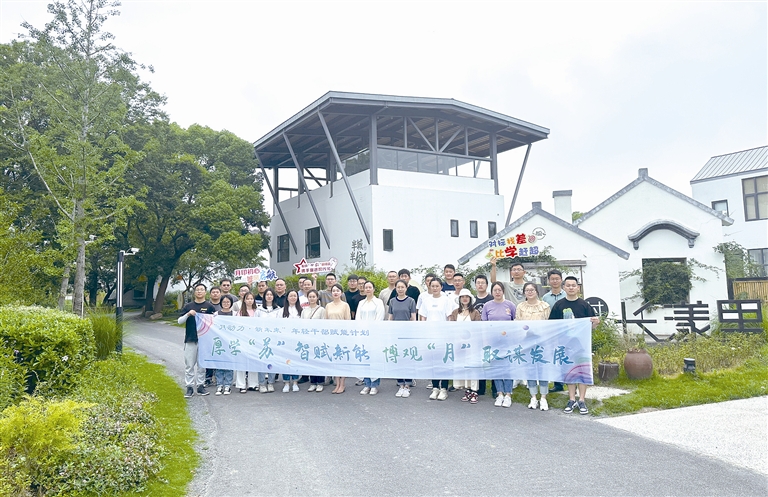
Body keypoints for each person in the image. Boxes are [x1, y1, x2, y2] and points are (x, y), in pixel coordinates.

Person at [549, 276, 599, 415]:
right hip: (565, 344)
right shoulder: (559, 305)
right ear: (564, 287)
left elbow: (592, 326)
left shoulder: (584, 305)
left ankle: (582, 400)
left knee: (582, 371)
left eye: (573, 285)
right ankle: (571, 399)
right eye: (568, 285)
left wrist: (596, 322)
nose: (571, 287)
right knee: (570, 372)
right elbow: (552, 325)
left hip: (582, 344)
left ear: (578, 288)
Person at [516, 282, 552, 411]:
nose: (530, 292)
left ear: (537, 291)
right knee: (530, 370)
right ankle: (533, 396)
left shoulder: (545, 306)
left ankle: (543, 398)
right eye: (527, 290)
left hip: (542, 343)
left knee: (542, 370)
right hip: (527, 343)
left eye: (532, 290)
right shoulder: (520, 307)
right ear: (524, 292)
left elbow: (549, 325)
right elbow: (517, 325)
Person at [482, 281, 517, 408]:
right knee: (496, 368)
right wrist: (486, 342)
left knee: (507, 368)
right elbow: (484, 326)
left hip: (507, 342)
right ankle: (500, 393)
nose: (497, 292)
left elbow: (514, 323)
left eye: (499, 290)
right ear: (492, 292)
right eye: (495, 290)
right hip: (493, 342)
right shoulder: (487, 306)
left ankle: (508, 394)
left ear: (503, 291)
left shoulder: (510, 305)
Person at [177, 283, 216, 397]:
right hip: (190, 339)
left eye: (202, 290)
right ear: (195, 292)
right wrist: (188, 314)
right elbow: (179, 321)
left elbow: (214, 322)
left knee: (202, 365)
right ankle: (189, 387)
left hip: (204, 341)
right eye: (197, 290)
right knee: (189, 365)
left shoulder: (209, 307)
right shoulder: (188, 306)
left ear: (205, 292)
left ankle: (200, 386)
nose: (199, 291)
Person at [419, 277, 454, 401]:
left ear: (441, 287)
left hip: (443, 335)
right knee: (433, 362)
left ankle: (444, 388)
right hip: (430, 336)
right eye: (432, 286)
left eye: (437, 286)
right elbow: (422, 316)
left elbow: (449, 316)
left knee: (443, 361)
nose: (434, 288)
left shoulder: (446, 300)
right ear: (429, 286)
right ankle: (435, 387)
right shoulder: (426, 300)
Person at [449, 288, 482, 403]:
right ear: (459, 299)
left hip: (472, 344)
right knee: (462, 367)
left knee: (472, 367)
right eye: (462, 297)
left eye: (467, 297)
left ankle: (474, 391)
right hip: (459, 345)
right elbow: (451, 328)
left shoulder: (475, 312)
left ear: (470, 299)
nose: (464, 299)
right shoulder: (455, 312)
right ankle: (467, 389)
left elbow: (478, 329)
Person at [355, 281, 386, 395]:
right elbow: (358, 318)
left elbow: (379, 317)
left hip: (375, 335)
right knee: (365, 359)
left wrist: (372, 330)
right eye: (366, 287)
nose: (367, 289)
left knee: (374, 359)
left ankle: (374, 385)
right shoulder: (361, 303)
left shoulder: (378, 302)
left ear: (373, 289)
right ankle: (367, 384)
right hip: (363, 335)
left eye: (370, 287)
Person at [388, 279, 417, 398]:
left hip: (407, 334)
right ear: (395, 288)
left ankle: (408, 385)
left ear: (406, 288)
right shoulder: (392, 301)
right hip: (395, 334)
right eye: (398, 287)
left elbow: (413, 318)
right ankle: (400, 384)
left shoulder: (411, 301)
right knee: (398, 358)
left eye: (402, 287)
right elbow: (390, 318)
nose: (400, 289)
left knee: (407, 358)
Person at [541, 269, 568, 393]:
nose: (555, 281)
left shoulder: (567, 294)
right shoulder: (545, 298)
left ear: (561, 280)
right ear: (548, 281)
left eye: (557, 278)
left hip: (567, 331)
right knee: (556, 356)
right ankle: (558, 383)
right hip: (551, 332)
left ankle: (571, 380)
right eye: (552, 279)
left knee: (568, 355)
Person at [325, 284, 352, 393]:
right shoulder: (328, 306)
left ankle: (342, 384)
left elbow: (348, 321)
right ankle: (337, 383)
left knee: (342, 359)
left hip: (342, 336)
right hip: (332, 336)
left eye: (338, 290)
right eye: (333, 291)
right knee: (334, 360)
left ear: (341, 293)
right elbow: (326, 322)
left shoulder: (345, 305)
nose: (335, 292)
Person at [300, 289, 327, 391]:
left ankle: (320, 382)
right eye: (310, 297)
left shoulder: (321, 310)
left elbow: (323, 324)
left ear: (317, 298)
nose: (312, 298)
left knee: (319, 360)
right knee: (310, 361)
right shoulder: (304, 311)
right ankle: (312, 382)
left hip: (318, 339)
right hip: (308, 339)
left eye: (313, 297)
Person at [256, 288, 282, 393]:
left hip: (273, 339)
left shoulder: (278, 310)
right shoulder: (259, 310)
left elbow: (280, 325)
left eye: (271, 294)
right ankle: (262, 383)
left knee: (272, 361)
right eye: (267, 295)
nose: (269, 296)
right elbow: (255, 324)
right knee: (261, 361)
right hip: (261, 339)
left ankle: (271, 382)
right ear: (264, 296)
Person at [235, 292, 259, 393]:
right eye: (247, 299)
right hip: (243, 339)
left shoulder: (257, 312)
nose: (250, 300)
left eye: (251, 299)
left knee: (253, 362)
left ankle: (253, 384)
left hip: (254, 340)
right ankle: (241, 384)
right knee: (241, 362)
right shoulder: (239, 313)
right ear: (244, 300)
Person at [281, 290, 303, 392]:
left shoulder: (301, 310)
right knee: (285, 360)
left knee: (295, 360)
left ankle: (295, 382)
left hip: (297, 340)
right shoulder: (281, 311)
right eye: (291, 296)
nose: (293, 298)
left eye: (295, 296)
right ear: (287, 297)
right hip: (285, 340)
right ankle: (286, 382)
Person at [213, 295, 235, 395]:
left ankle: (227, 385)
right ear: (221, 303)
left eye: (228, 302)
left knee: (229, 365)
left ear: (231, 303)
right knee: (219, 364)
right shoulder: (216, 314)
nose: (226, 304)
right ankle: (219, 385)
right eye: (224, 302)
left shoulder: (235, 314)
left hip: (231, 343)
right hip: (220, 343)